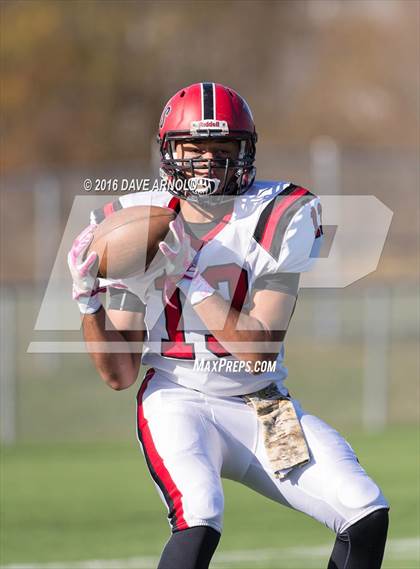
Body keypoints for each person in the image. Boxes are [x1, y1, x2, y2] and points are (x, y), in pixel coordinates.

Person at [68, 82, 389, 569]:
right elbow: (118, 374)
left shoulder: (282, 212)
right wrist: (88, 303)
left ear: (246, 152)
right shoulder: (140, 221)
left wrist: (190, 279)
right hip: (178, 397)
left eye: (223, 150)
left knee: (364, 510)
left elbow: (259, 349)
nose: (208, 163)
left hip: (263, 403)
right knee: (199, 514)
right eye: (194, 149)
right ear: (169, 153)